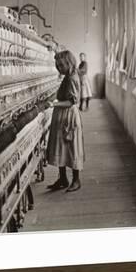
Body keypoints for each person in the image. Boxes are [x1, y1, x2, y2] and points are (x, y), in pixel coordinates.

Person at [46, 50, 85, 192]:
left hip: (69, 116)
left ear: (69, 63)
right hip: (63, 116)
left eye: (61, 65)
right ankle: (63, 179)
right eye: (57, 65)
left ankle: (76, 180)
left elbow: (71, 102)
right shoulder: (68, 76)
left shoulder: (72, 78)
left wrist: (53, 104)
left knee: (71, 147)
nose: (59, 68)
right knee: (61, 146)